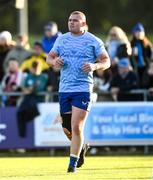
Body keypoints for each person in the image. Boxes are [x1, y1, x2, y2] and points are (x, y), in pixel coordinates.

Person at [46, 11, 110, 173]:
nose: (71, 23)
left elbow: (106, 60)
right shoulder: (62, 39)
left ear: (83, 24)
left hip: (82, 89)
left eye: (75, 20)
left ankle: (72, 165)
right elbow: (49, 57)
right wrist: (54, 61)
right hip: (64, 89)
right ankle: (82, 146)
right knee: (67, 128)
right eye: (69, 20)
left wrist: (95, 66)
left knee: (76, 127)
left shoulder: (93, 40)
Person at [131, 23, 152, 87]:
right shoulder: (132, 44)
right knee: (137, 82)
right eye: (137, 31)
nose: (139, 33)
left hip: (146, 66)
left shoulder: (147, 45)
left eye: (140, 32)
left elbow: (150, 56)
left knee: (145, 82)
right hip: (136, 67)